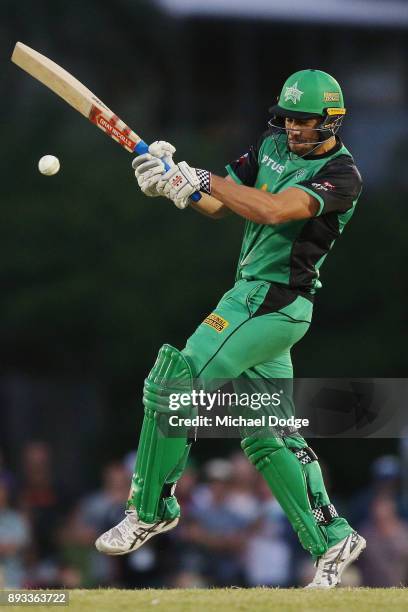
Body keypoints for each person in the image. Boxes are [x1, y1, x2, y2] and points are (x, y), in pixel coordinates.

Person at [95, 69, 366, 589]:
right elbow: (220, 202)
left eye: (303, 122)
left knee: (176, 377)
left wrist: (200, 177)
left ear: (331, 122)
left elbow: (271, 210)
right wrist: (175, 183)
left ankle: (151, 508)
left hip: (272, 302)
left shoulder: (342, 174)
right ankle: (333, 535)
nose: (292, 130)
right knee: (265, 434)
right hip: (251, 301)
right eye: (286, 120)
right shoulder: (270, 147)